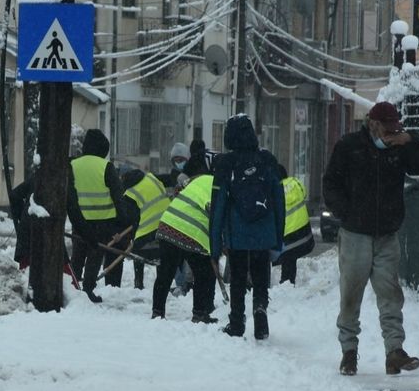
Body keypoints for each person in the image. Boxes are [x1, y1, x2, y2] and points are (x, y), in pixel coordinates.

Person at [322, 101, 419, 376]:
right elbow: (331, 183)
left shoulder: (399, 148)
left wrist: (410, 140)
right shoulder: (350, 147)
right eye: (388, 127)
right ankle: (349, 352)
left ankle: (394, 351)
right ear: (373, 123)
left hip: (387, 234)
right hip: (355, 233)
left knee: (390, 294)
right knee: (351, 295)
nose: (392, 133)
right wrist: (346, 213)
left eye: (397, 127)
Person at [210, 115, 285, 339]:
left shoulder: (226, 165)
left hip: (238, 235)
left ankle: (237, 321)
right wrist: (278, 237)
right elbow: (279, 201)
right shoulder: (268, 161)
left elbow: (218, 207)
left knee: (238, 278)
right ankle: (260, 310)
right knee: (261, 275)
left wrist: (214, 246)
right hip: (264, 233)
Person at [67, 129, 131, 303]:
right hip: (103, 221)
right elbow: (118, 196)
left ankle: (73, 286)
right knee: (94, 256)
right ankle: (88, 289)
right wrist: (123, 221)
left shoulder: (73, 165)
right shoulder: (105, 167)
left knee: (78, 254)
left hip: (79, 220)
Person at [151, 153, 215, 322]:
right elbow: (216, 214)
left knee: (166, 271)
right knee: (204, 272)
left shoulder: (196, 179)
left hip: (169, 223)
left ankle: (157, 312)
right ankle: (200, 314)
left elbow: (178, 192)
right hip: (191, 231)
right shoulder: (218, 186)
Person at [106, 166, 169, 289]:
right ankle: (162, 283)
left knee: (136, 249)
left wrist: (118, 233)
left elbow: (132, 219)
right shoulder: (151, 178)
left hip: (149, 231)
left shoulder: (130, 193)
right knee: (162, 254)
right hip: (168, 226)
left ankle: (138, 283)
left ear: (123, 179)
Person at [271, 163, 315, 285]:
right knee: (291, 259)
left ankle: (286, 282)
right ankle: (289, 281)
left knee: (287, 259)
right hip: (303, 231)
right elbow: (304, 193)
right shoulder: (296, 183)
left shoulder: (275, 190)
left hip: (287, 233)